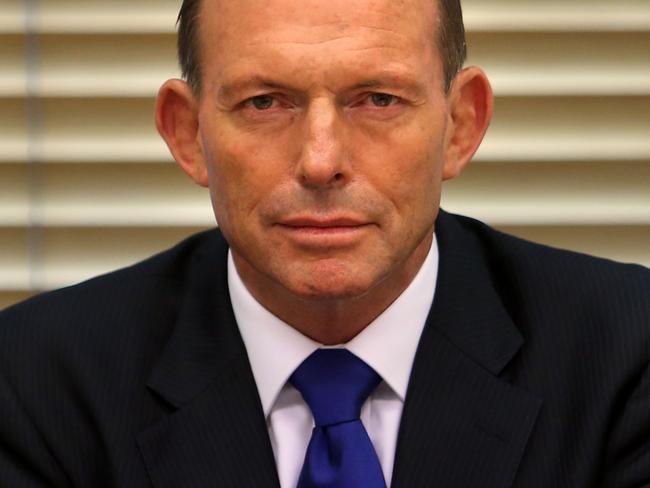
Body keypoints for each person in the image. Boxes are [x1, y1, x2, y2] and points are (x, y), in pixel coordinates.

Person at [1, 0, 649, 486]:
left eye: (377, 99)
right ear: (186, 132)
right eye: (264, 103)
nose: (320, 161)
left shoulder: (626, 353)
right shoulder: (35, 381)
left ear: (460, 125)